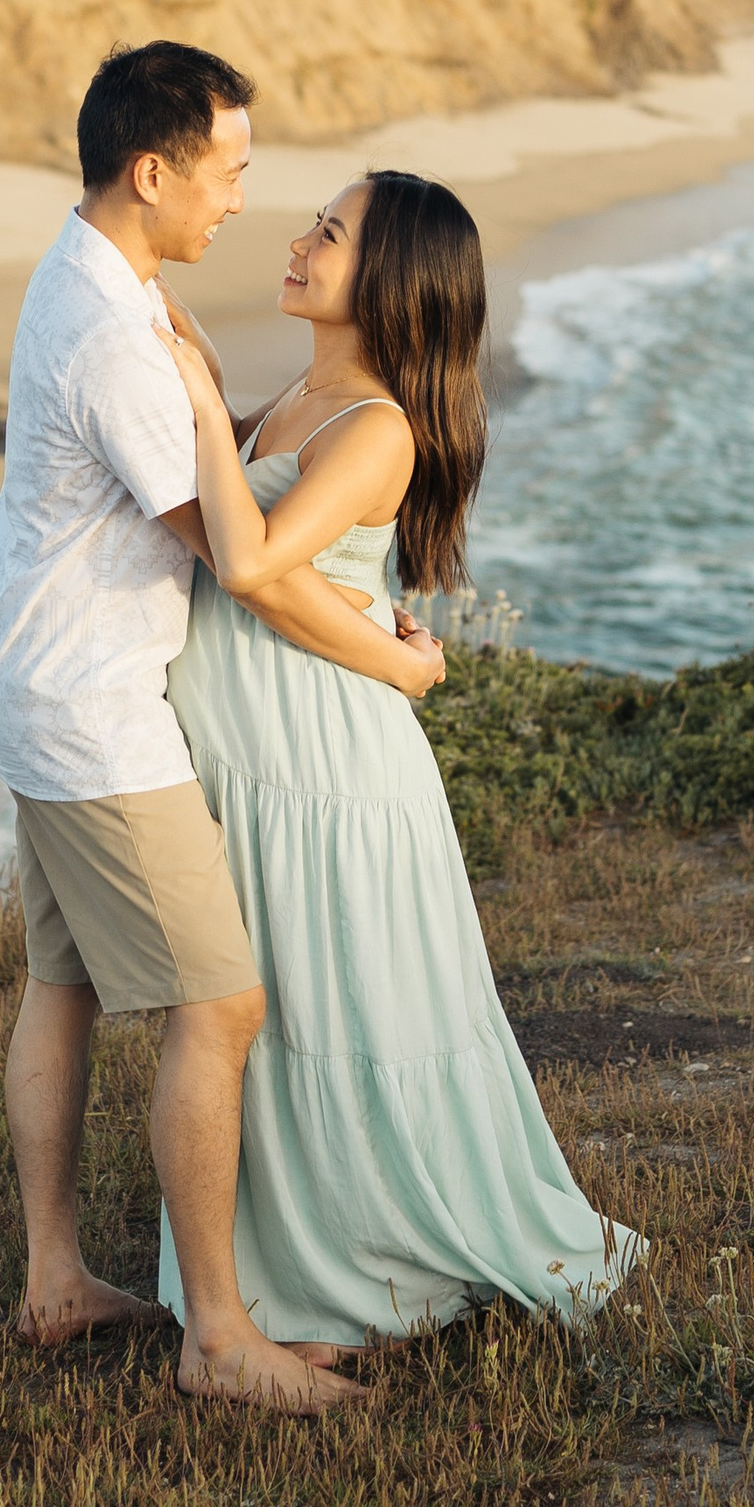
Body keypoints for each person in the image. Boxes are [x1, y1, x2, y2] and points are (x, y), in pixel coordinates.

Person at [0, 41, 447, 1412]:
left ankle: (56, 1278)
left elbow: (231, 490)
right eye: (228, 172)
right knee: (223, 1003)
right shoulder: (118, 339)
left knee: (62, 980)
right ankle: (222, 1337)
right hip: (97, 713)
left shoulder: (96, 275)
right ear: (151, 171)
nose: (243, 200)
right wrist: (396, 659)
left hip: (37, 679)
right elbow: (246, 564)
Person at [155, 167, 644, 1348]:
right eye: (314, 223)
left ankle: (359, 1264)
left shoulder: (376, 427)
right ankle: (286, 1265)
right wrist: (205, 375)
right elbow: (243, 538)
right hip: (269, 753)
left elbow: (251, 560)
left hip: (325, 761)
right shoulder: (299, 393)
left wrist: (203, 401)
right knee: (274, 1011)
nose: (298, 241)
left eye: (329, 233)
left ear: (387, 278)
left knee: (339, 1006)